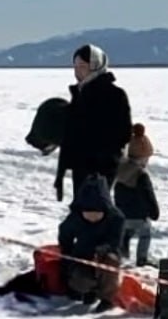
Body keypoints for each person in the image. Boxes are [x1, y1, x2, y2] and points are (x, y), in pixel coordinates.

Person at [53, 44, 132, 203]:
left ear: (96, 65)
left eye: (83, 66)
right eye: (75, 66)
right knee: (83, 211)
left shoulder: (114, 95)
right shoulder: (80, 94)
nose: (77, 71)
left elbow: (123, 132)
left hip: (101, 166)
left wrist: (102, 156)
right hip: (81, 165)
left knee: (96, 210)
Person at [58, 174, 125, 305]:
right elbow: (65, 236)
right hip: (82, 254)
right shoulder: (75, 218)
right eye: (88, 213)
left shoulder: (116, 218)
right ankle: (89, 290)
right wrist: (68, 255)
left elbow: (115, 241)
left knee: (110, 266)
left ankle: (107, 298)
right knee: (80, 280)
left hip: (106, 253)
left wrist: (102, 250)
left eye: (97, 213)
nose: (92, 217)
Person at [113, 125, 160, 267]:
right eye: (147, 158)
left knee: (126, 231)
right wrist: (154, 212)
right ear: (142, 158)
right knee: (145, 233)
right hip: (139, 215)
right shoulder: (141, 175)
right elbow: (148, 195)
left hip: (122, 214)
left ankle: (121, 253)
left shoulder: (121, 169)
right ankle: (142, 258)